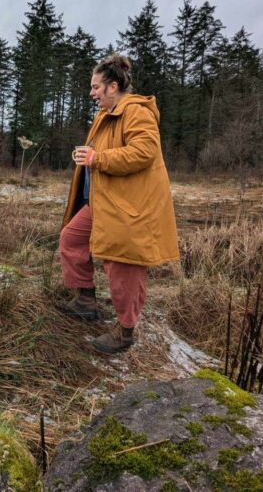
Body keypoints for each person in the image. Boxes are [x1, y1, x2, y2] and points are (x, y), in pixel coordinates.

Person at [57, 54, 179, 354]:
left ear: (113, 87)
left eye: (96, 86)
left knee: (122, 267)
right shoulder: (104, 115)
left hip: (128, 206)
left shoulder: (137, 113)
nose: (92, 92)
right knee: (71, 239)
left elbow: (144, 152)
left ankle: (125, 331)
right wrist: (87, 157)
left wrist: (98, 159)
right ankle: (86, 300)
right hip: (101, 201)